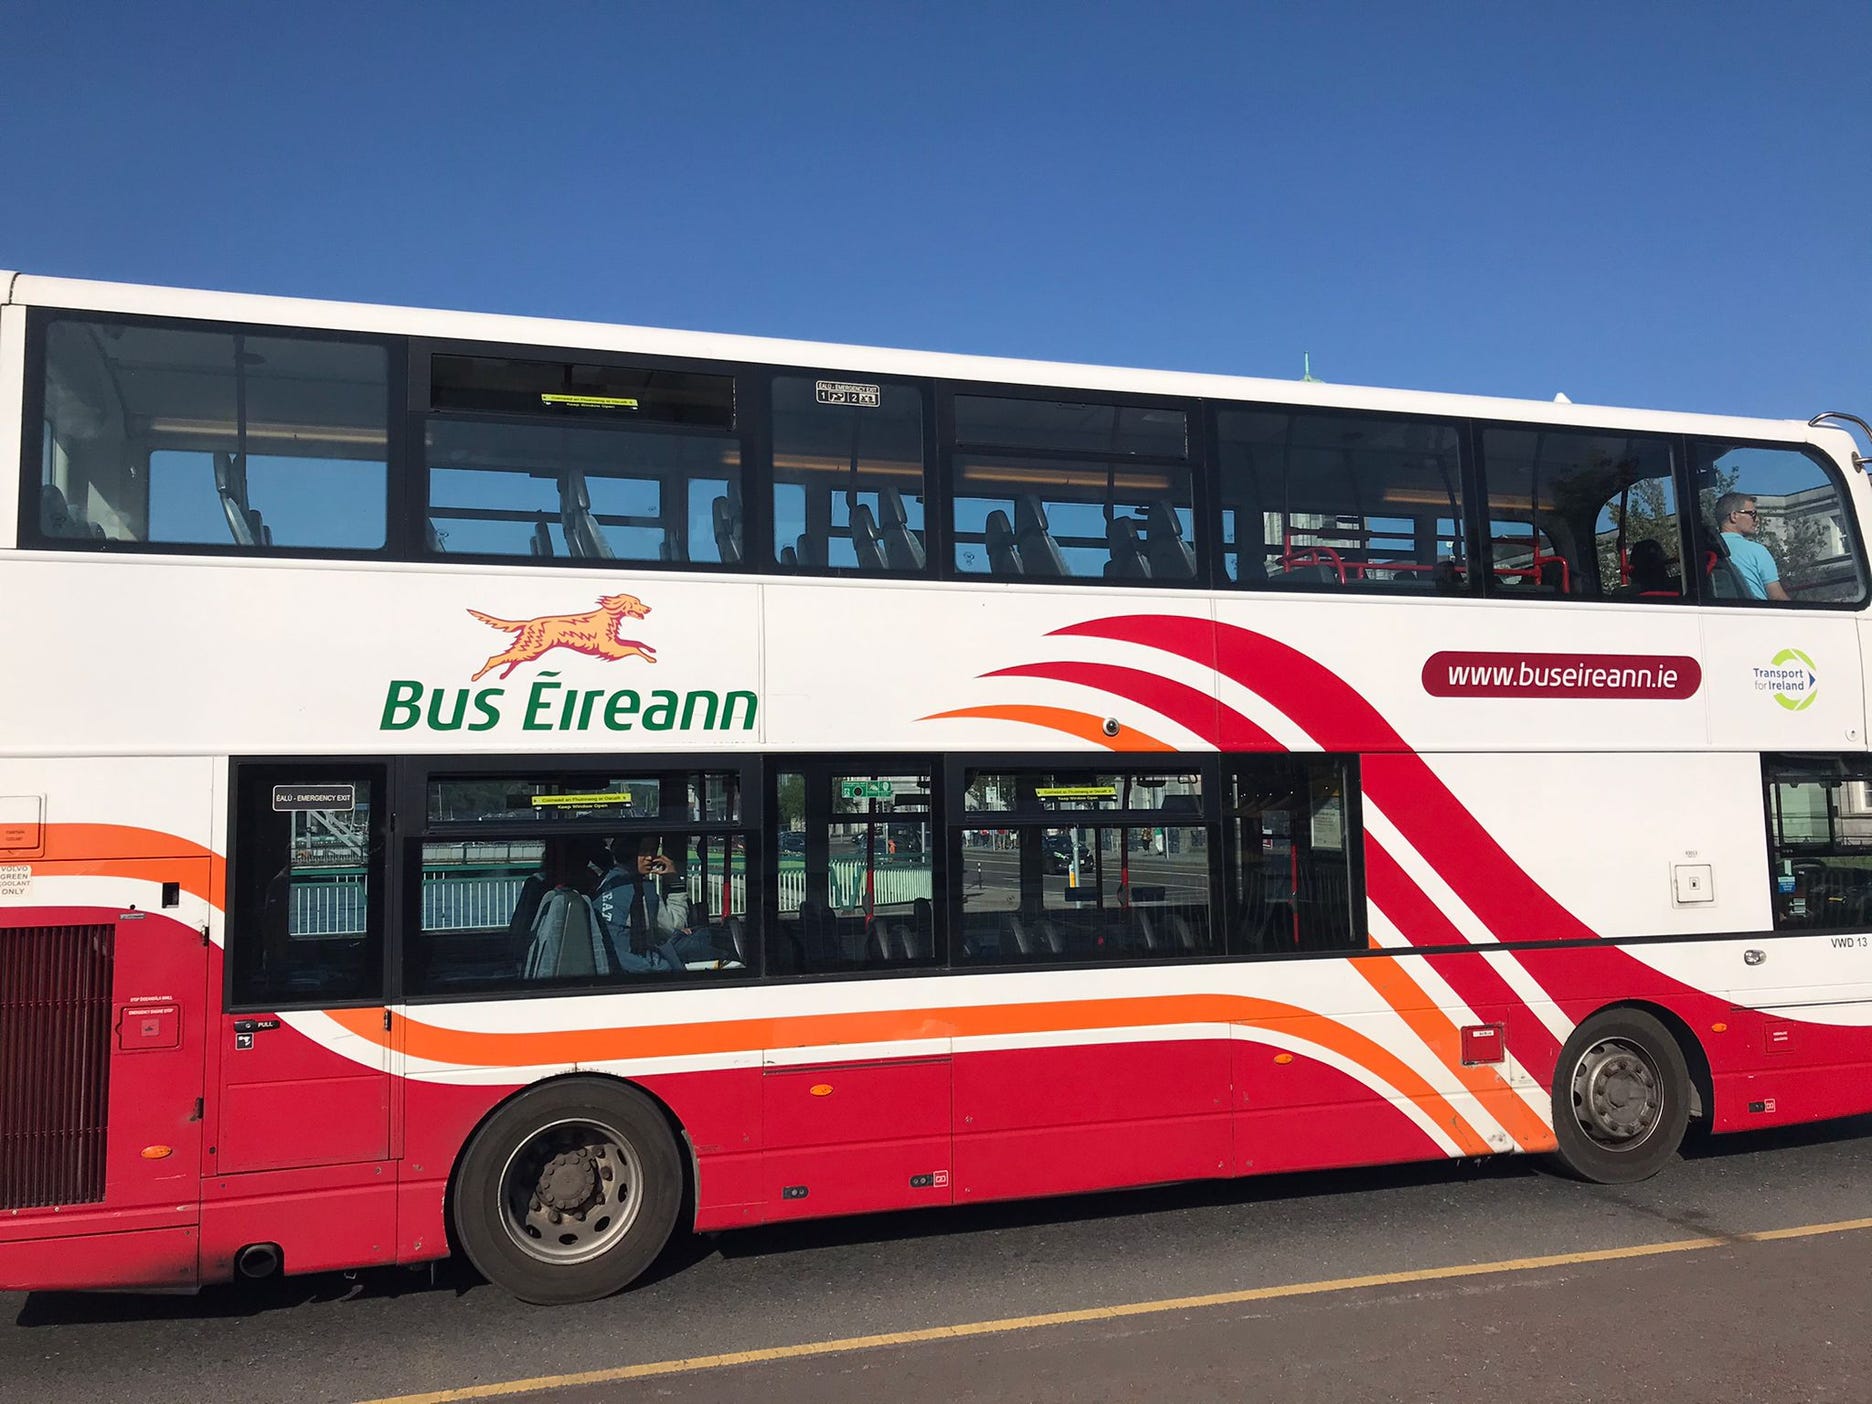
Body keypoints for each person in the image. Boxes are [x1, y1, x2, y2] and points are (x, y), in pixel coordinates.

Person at [594, 834, 720, 971]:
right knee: (711, 941)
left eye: (653, 850)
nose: (649, 857)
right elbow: (672, 928)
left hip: (612, 964)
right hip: (643, 966)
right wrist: (674, 880)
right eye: (643, 851)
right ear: (627, 852)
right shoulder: (641, 890)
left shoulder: (606, 881)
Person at [1715, 492, 1790, 601]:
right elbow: (1776, 596)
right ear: (1734, 516)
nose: (1757, 519)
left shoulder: (1705, 551)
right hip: (1756, 613)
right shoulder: (1757, 550)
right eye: (1752, 514)